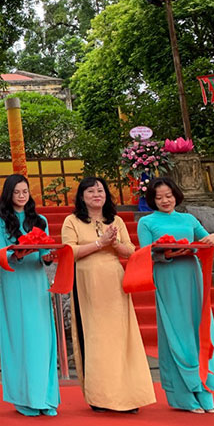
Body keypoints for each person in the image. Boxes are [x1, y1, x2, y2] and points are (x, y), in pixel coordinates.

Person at [61, 176, 155, 413]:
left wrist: (113, 245)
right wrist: (99, 243)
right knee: (96, 337)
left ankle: (126, 395)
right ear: (82, 196)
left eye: (100, 190)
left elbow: (131, 251)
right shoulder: (72, 221)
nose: (96, 195)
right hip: (87, 283)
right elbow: (68, 252)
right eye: (91, 191)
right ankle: (100, 396)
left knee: (121, 337)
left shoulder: (116, 220)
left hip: (114, 282)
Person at [137, 176, 214, 413]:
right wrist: (168, 254)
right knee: (177, 332)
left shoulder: (188, 218)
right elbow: (146, 255)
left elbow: (208, 239)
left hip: (193, 276)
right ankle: (184, 394)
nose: (165, 200)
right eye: (159, 197)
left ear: (176, 195)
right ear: (152, 200)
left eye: (169, 195)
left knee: (199, 328)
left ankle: (205, 388)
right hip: (167, 277)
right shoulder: (146, 222)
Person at [0, 175, 59, 416]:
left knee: (42, 341)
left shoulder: (40, 220)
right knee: (20, 340)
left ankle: (45, 397)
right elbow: (1, 253)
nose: (22, 195)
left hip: (37, 284)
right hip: (14, 282)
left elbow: (45, 253)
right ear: (8, 194)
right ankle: (24, 398)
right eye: (17, 191)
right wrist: (17, 254)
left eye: (25, 191)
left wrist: (48, 256)